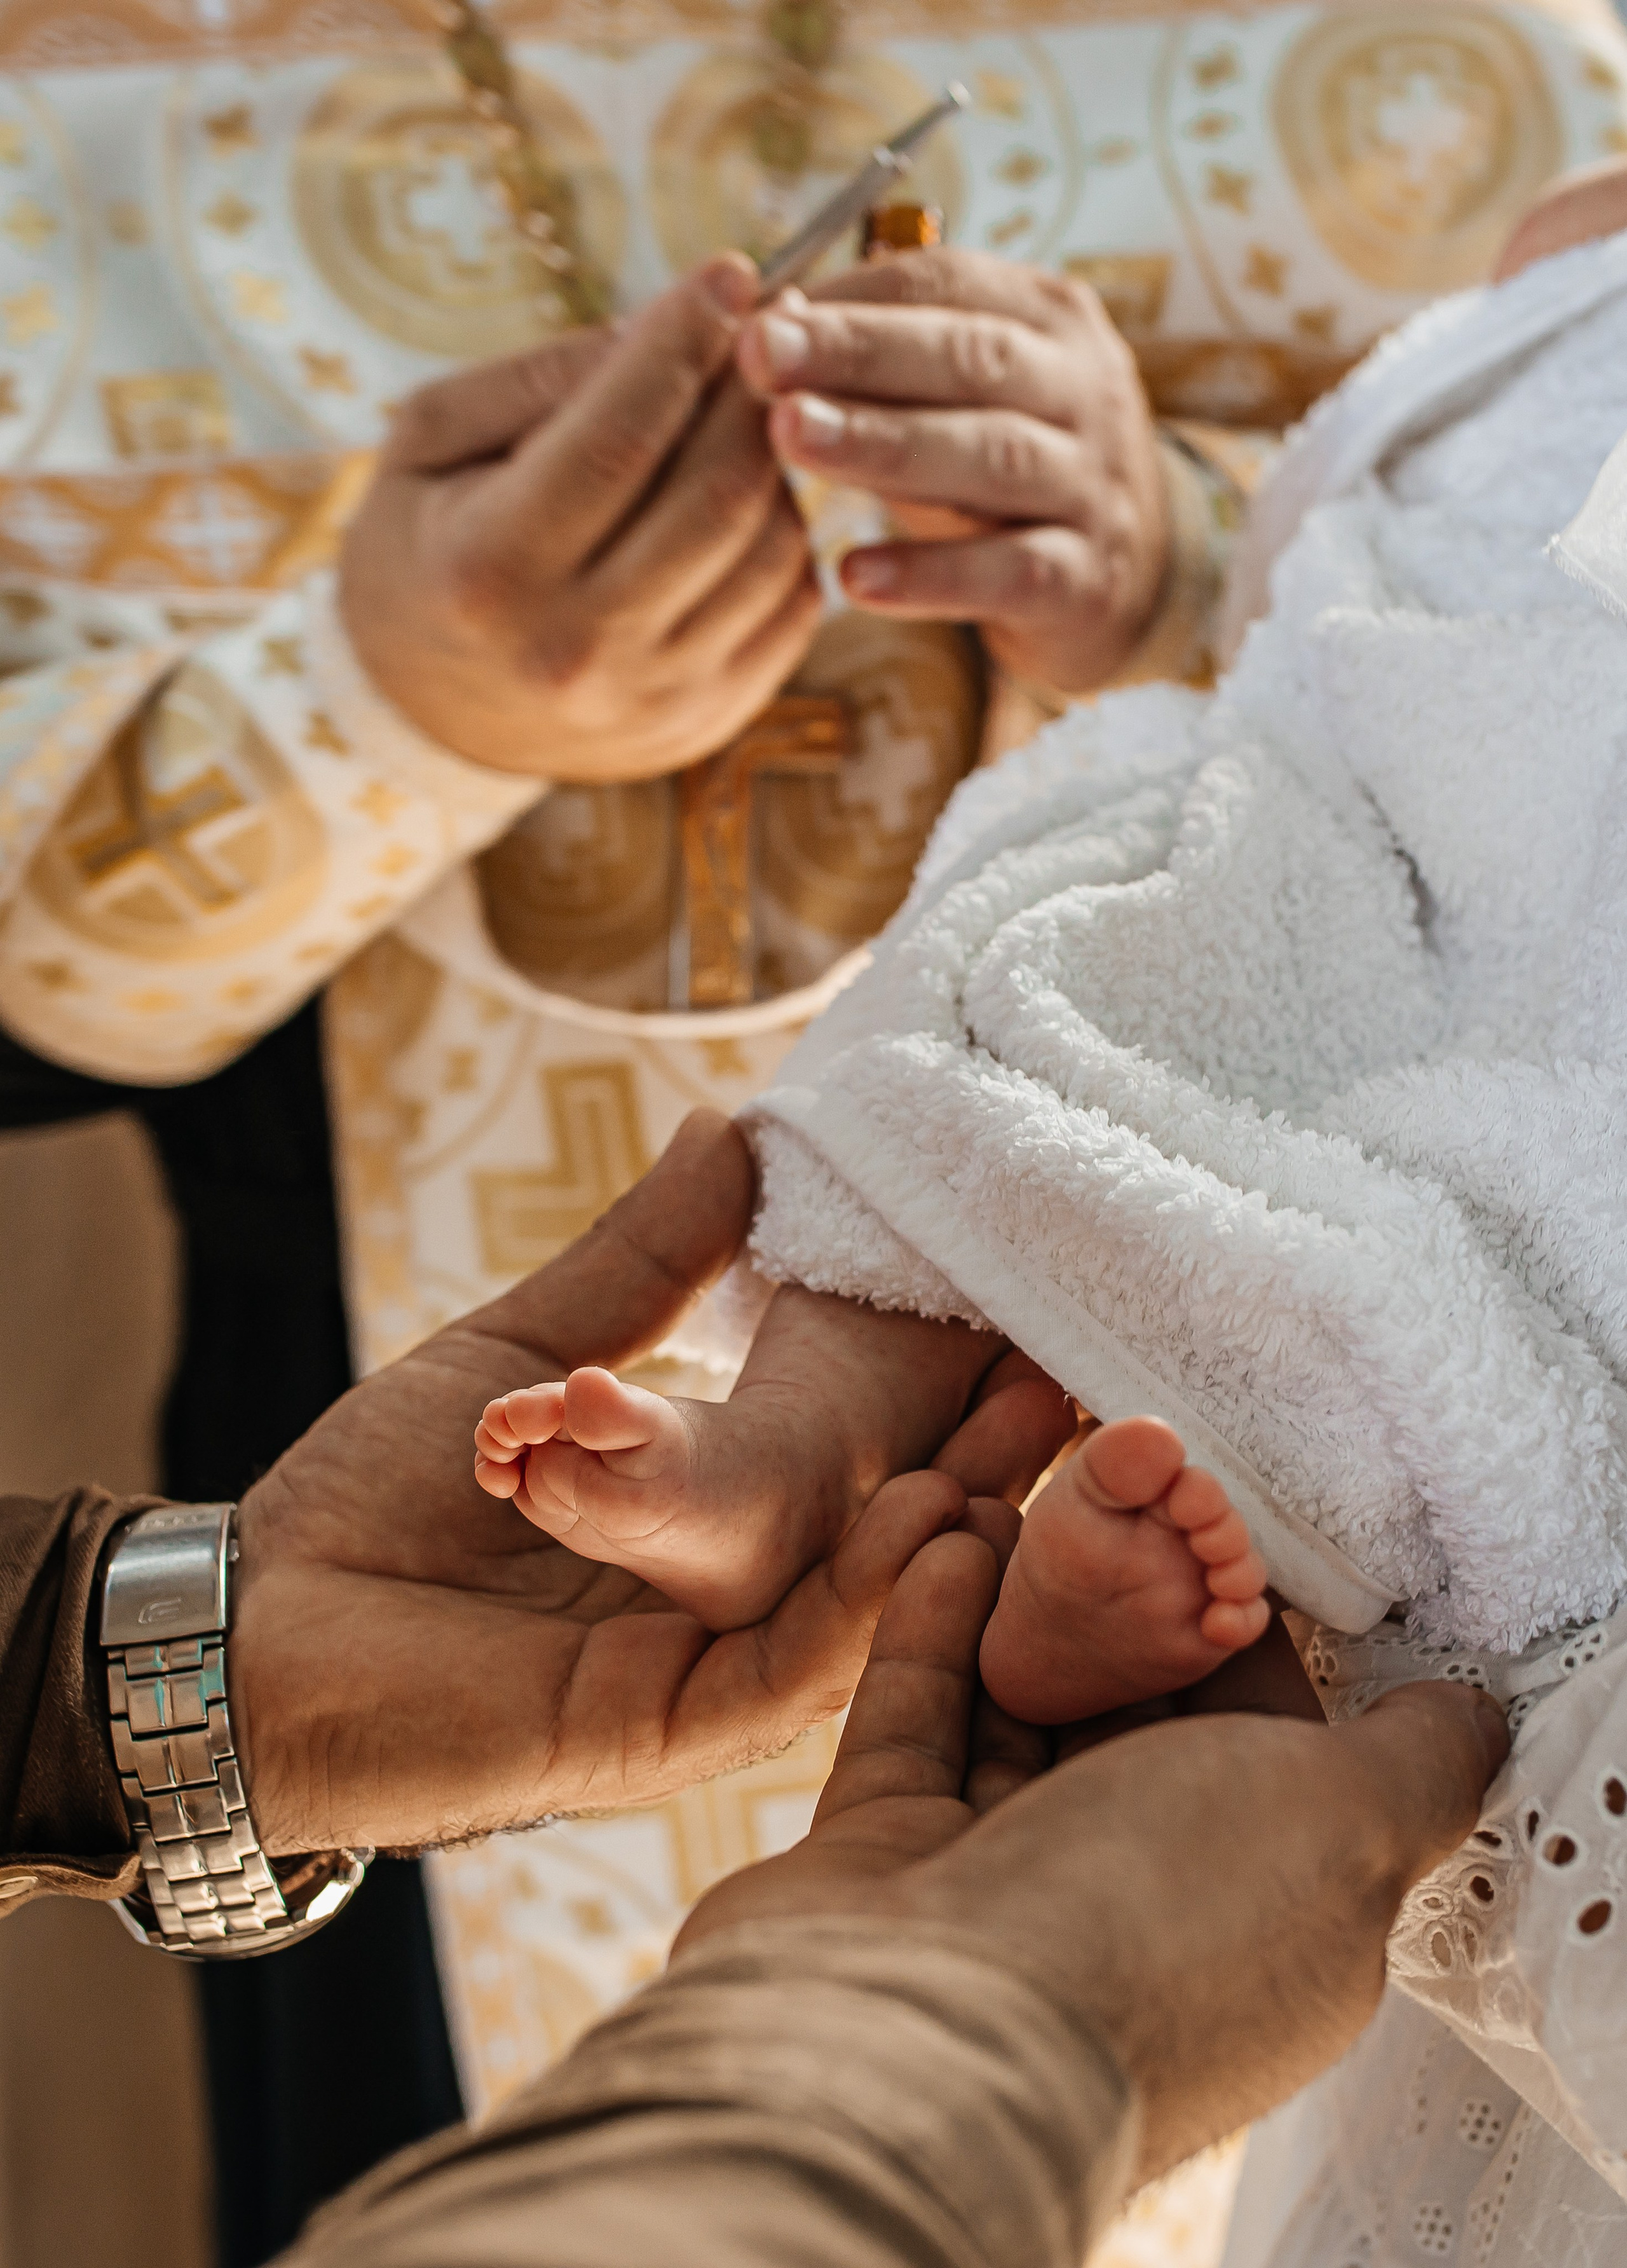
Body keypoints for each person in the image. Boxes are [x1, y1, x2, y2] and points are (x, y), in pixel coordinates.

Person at [3, 0, 1625, 2241]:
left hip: (1294, 1214)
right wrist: (373, 704)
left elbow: (1499, 604)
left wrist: (1178, 547)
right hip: (443, 1525)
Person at [480, 170, 1627, 2263]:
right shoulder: (1566, 221)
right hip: (1345, 812)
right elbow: (1349, 524)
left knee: (1441, 1222)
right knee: (1025, 960)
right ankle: (786, 1449)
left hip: (1549, 920)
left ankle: (1221, 1609)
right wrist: (1198, 555)